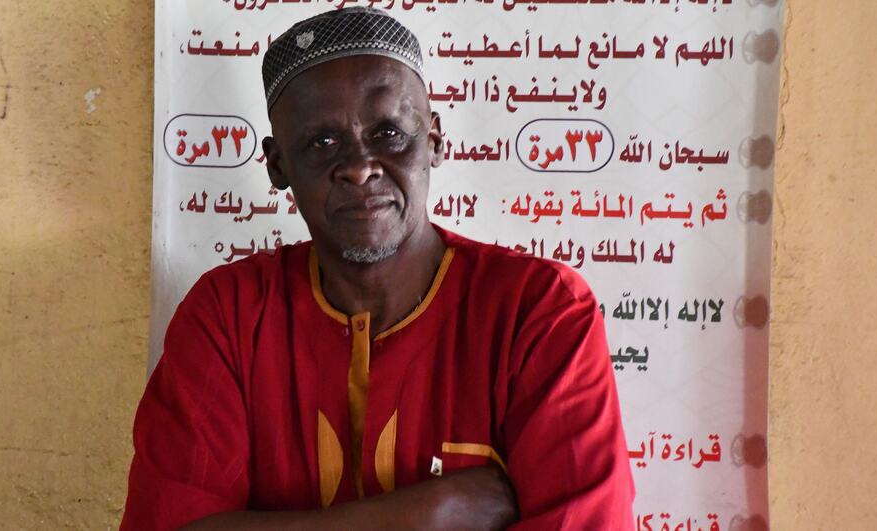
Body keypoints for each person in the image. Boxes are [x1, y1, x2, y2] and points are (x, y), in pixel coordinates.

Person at [121, 7, 634, 530]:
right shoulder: (228, 315)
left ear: (434, 140)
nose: (360, 166)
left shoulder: (538, 311)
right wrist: (423, 515)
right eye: (322, 142)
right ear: (278, 165)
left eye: (389, 133)